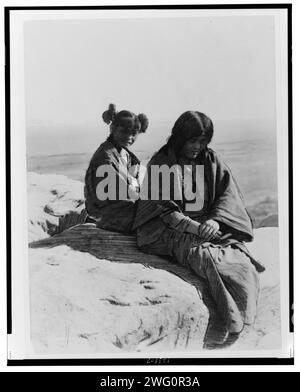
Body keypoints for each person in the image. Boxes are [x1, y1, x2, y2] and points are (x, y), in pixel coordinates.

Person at [133, 111, 265, 335]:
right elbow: (164, 210)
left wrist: (214, 221)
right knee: (208, 258)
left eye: (202, 141)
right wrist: (197, 230)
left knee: (240, 261)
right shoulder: (162, 163)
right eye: (192, 141)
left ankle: (244, 318)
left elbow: (227, 195)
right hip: (168, 230)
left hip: (207, 226)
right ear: (180, 138)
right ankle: (232, 319)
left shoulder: (210, 159)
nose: (197, 146)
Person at [84, 104, 149, 233]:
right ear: (113, 128)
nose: (129, 137)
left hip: (123, 208)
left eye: (133, 134)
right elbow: (117, 195)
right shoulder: (105, 157)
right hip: (106, 215)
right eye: (124, 132)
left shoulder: (125, 154)